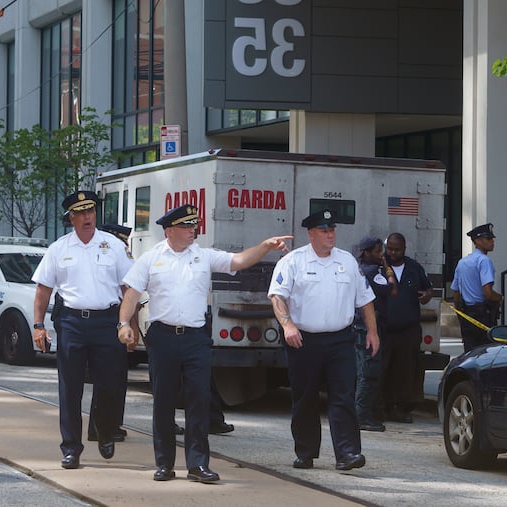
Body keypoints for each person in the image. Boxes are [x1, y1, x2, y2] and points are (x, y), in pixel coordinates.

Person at [116, 204, 290, 483]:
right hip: (162, 337)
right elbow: (131, 294)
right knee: (164, 402)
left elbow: (239, 261)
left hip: (195, 337)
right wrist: (124, 324)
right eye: (186, 227)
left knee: (199, 400)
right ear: (170, 230)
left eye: (193, 226)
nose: (192, 231)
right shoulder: (151, 259)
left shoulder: (204, 256)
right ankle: (165, 464)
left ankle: (198, 465)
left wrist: (264, 247)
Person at [268, 209, 379, 471]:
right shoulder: (293, 261)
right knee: (305, 398)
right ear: (312, 234)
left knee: (343, 396)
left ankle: (348, 453)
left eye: (332, 230)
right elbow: (277, 296)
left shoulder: (348, 262)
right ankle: (305, 452)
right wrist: (288, 326)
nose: (330, 235)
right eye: (324, 231)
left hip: (340, 340)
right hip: (303, 341)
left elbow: (365, 299)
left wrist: (373, 332)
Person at [32, 191, 134, 470]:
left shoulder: (113, 245)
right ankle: (71, 448)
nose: (88, 216)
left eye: (91, 211)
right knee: (70, 388)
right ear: (72, 218)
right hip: (71, 323)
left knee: (110, 384)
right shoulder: (59, 249)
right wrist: (38, 325)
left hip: (106, 322)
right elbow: (43, 289)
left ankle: (104, 429)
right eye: (82, 212)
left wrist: (129, 324)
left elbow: (128, 288)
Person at [379, 232, 433, 424]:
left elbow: (428, 289)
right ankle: (381, 407)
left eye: (397, 249)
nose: (392, 253)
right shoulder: (379, 267)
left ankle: (401, 409)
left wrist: (427, 295)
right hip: (384, 329)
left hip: (408, 330)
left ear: (404, 249)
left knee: (406, 371)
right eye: (390, 249)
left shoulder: (414, 268)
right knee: (382, 369)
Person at [87, 224, 133, 444]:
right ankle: (101, 426)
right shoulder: (103, 257)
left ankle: (109, 424)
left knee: (114, 378)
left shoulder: (117, 256)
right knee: (109, 377)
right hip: (110, 320)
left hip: (115, 319)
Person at [354, 236, 397, 432]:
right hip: (368, 327)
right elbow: (392, 288)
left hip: (361, 326)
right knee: (369, 373)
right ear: (367, 253)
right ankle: (361, 417)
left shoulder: (359, 270)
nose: (382, 255)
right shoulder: (372, 272)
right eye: (378, 252)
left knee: (364, 371)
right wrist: (387, 268)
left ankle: (362, 415)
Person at [450, 223, 503, 352]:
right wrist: (500, 298)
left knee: (469, 354)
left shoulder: (462, 262)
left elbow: (456, 293)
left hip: (467, 315)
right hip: (483, 315)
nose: (492, 241)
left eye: (492, 238)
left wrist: (460, 313)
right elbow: (488, 293)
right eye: (488, 238)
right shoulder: (484, 261)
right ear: (478, 241)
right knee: (485, 355)